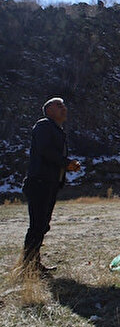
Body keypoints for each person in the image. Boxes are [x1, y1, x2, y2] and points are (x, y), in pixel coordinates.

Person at [21, 97, 81, 273]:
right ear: (49, 111)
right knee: (37, 225)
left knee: (42, 224)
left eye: (64, 105)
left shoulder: (57, 130)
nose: (64, 108)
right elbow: (46, 151)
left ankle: (33, 263)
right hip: (39, 182)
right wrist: (66, 162)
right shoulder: (44, 126)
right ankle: (28, 266)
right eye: (59, 106)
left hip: (49, 184)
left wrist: (67, 165)